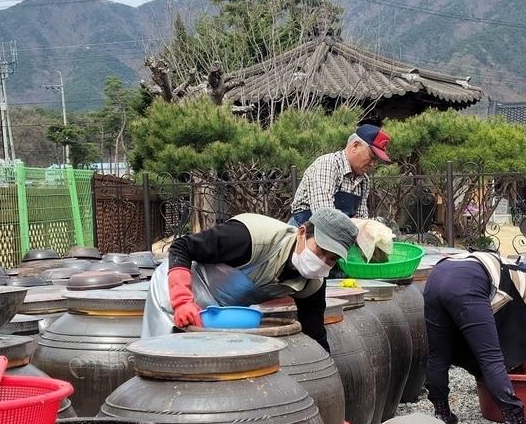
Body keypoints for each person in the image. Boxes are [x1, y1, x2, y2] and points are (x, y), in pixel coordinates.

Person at [144, 208, 357, 343]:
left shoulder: (311, 285)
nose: (323, 262)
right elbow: (182, 247)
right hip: (178, 292)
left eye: (332, 259)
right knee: (168, 358)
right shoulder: (251, 238)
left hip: (222, 314)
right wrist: (182, 301)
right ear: (302, 233)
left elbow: (315, 334)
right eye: (320, 251)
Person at [424, 251, 526, 424]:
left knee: (438, 354)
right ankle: (515, 420)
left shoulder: (507, 267)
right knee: (490, 356)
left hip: (436, 277)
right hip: (468, 281)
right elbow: (525, 338)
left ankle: (441, 412)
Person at [289, 124, 390, 226]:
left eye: (376, 160)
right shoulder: (328, 164)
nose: (372, 164)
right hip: (305, 233)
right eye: (371, 156)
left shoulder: (363, 180)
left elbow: (361, 219)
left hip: (339, 235)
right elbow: (323, 216)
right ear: (355, 146)